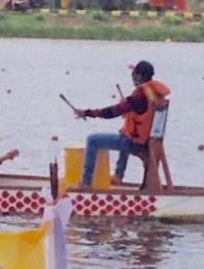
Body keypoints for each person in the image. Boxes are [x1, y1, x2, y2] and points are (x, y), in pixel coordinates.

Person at [70, 60, 171, 189]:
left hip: (135, 143)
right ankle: (118, 175)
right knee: (123, 131)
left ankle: (85, 183)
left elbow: (111, 112)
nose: (132, 77)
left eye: (134, 74)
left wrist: (86, 113)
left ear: (139, 76)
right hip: (148, 141)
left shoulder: (139, 95)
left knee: (92, 140)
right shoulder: (154, 93)